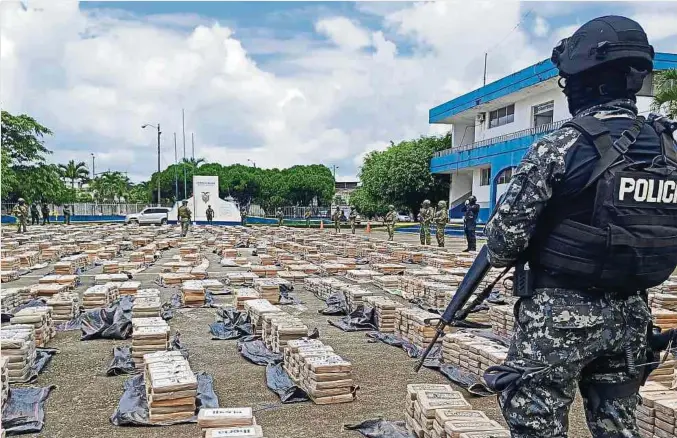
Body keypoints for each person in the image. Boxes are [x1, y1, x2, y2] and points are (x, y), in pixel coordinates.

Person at [483, 16, 677, 438]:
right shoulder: (669, 148)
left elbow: (501, 244)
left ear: (582, 79)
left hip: (558, 319)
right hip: (632, 317)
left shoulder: (561, 145)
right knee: (619, 429)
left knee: (536, 425)